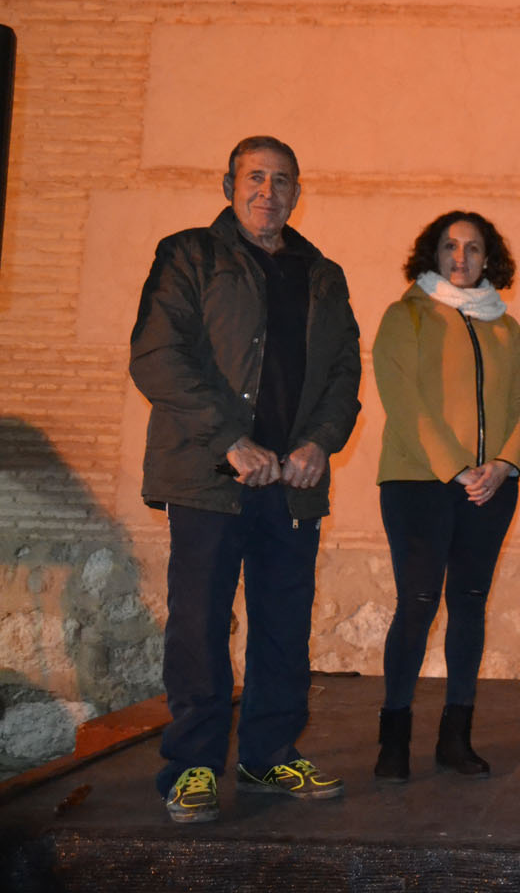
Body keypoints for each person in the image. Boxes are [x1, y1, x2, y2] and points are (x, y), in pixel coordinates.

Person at [129, 135, 361, 823]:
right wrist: (230, 441)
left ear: (297, 193)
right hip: (208, 475)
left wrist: (320, 443)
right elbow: (156, 355)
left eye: (282, 180)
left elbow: (345, 372)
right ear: (229, 185)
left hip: (293, 484)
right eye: (255, 177)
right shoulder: (189, 255)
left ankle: (269, 755)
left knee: (284, 624)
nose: (268, 190)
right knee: (200, 624)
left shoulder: (322, 274)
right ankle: (192, 766)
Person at [371, 210, 520, 782]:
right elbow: (404, 401)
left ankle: (456, 739)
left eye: (473, 248)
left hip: (491, 488)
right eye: (449, 246)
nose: (461, 257)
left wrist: (504, 465)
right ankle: (393, 740)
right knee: (416, 605)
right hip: (419, 483)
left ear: (489, 258)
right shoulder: (405, 316)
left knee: (469, 604)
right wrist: (458, 470)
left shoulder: (506, 328)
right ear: (432, 254)